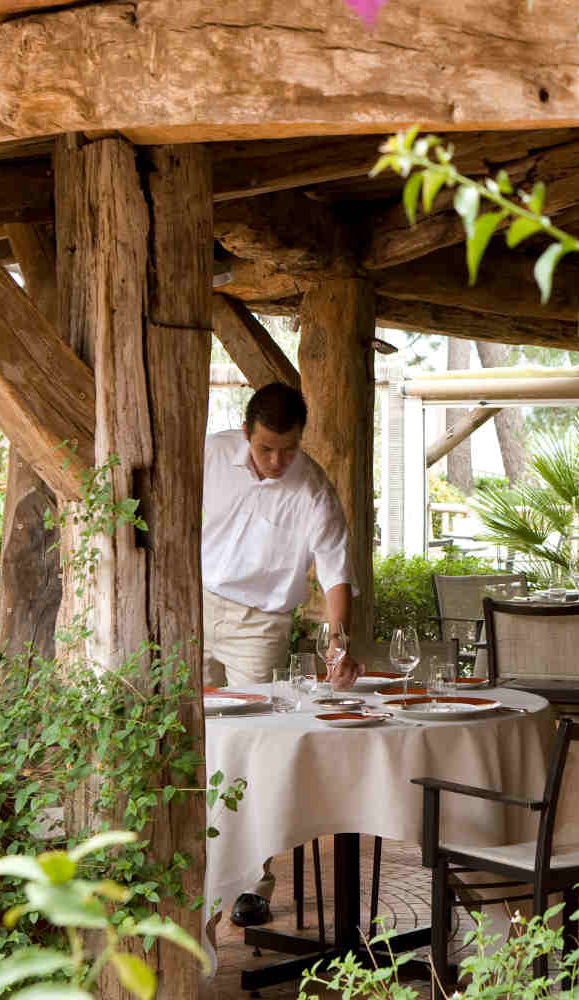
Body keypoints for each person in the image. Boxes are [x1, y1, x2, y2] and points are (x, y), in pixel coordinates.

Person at [202, 382, 361, 928]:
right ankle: (190, 866)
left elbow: (337, 575)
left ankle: (251, 884)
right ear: (247, 432)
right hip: (193, 605)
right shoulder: (210, 453)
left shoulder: (313, 491)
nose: (276, 461)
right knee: (186, 735)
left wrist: (338, 643)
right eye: (266, 448)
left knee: (255, 750)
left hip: (259, 626)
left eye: (288, 449)